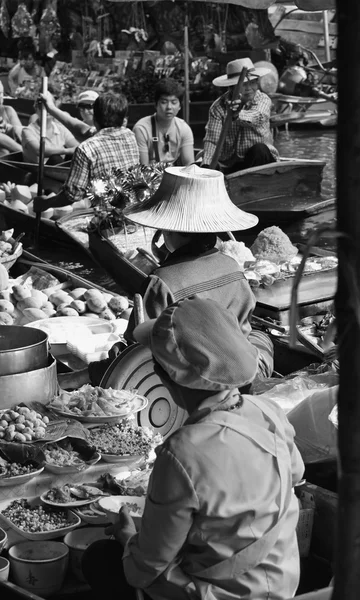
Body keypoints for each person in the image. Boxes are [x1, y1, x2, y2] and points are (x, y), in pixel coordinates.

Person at [81, 296, 304, 600]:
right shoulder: (268, 412)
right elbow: (295, 473)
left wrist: (127, 537)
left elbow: (145, 567)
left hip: (222, 594)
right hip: (280, 583)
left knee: (101, 559)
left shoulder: (181, 450)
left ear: (163, 377)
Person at [124, 164, 274, 380]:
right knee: (261, 336)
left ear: (170, 230)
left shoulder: (161, 281)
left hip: (191, 383)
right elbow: (244, 325)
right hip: (239, 372)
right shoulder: (233, 267)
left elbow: (139, 348)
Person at [33, 92, 139, 213]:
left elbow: (72, 196)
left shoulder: (86, 149)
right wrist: (51, 108)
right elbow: (81, 129)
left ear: (94, 118)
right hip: (133, 212)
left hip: (106, 218)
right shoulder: (130, 135)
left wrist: (45, 203)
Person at [202, 58, 279, 173]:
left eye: (253, 83)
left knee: (259, 150)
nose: (249, 89)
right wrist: (207, 166)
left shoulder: (263, 99)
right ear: (232, 87)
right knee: (204, 166)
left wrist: (236, 115)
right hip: (231, 164)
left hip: (261, 161)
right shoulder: (218, 107)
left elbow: (257, 117)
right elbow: (212, 141)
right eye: (243, 84)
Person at [133, 78, 194, 166]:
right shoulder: (141, 129)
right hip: (149, 176)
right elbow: (143, 167)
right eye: (164, 102)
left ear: (180, 106)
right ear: (155, 104)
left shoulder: (184, 128)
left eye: (174, 102)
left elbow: (189, 164)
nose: (169, 107)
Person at [21, 93, 78, 164]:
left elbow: (76, 147)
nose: (46, 110)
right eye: (41, 106)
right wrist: (66, 151)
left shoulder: (61, 129)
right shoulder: (28, 131)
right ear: (36, 108)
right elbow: (38, 150)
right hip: (37, 171)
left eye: (48, 106)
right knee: (55, 158)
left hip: (57, 169)